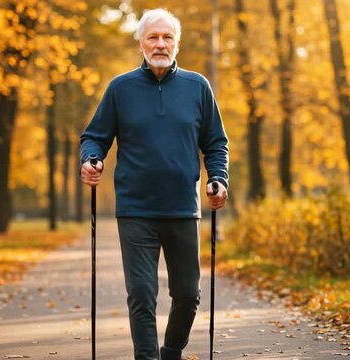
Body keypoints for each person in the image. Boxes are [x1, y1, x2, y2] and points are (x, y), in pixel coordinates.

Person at [79, 8, 229, 360]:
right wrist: (91, 160)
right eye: (153, 37)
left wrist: (219, 179)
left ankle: (171, 352)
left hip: (183, 208)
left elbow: (216, 143)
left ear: (177, 44)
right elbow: (94, 136)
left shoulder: (197, 87)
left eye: (167, 38)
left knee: (188, 295)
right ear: (141, 44)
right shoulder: (121, 88)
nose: (160, 44)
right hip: (135, 210)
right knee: (142, 295)